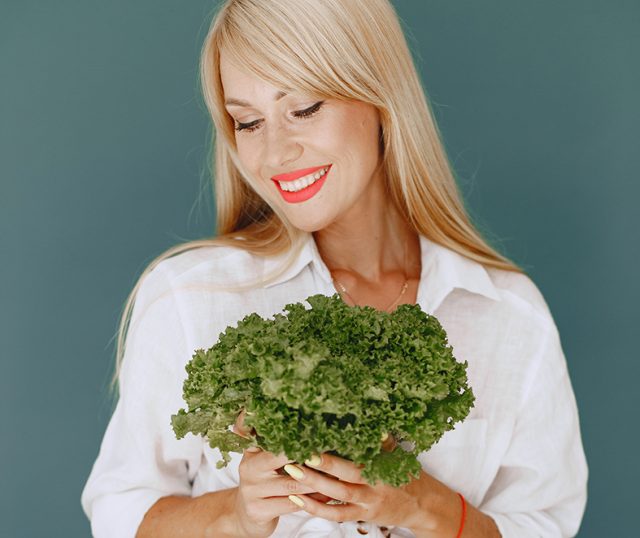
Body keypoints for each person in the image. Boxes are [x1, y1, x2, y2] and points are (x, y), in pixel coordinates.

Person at [81, 0, 588, 536]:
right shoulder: (191, 295)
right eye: (248, 122)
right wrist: (237, 513)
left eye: (303, 109)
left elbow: (546, 522)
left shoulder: (506, 314)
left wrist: (422, 504)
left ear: (379, 96)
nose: (275, 153)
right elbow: (121, 512)